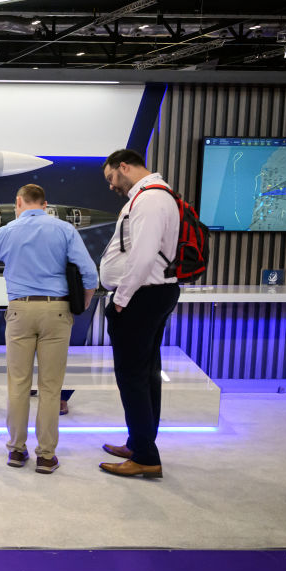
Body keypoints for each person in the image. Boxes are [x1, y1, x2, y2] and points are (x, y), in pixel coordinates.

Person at [0, 184, 98, 474]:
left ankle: (17, 451)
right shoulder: (65, 230)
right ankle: (46, 456)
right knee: (50, 387)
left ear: (19, 202)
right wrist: (82, 302)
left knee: (18, 384)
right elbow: (90, 274)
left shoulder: (7, 231)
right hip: (57, 311)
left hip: (20, 311)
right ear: (45, 205)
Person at [98, 149, 181, 479]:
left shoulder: (149, 199)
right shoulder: (155, 196)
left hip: (141, 297)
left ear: (124, 166)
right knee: (146, 374)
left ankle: (145, 456)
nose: (111, 186)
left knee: (133, 377)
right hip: (152, 294)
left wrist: (121, 298)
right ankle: (139, 443)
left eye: (111, 178)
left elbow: (143, 256)